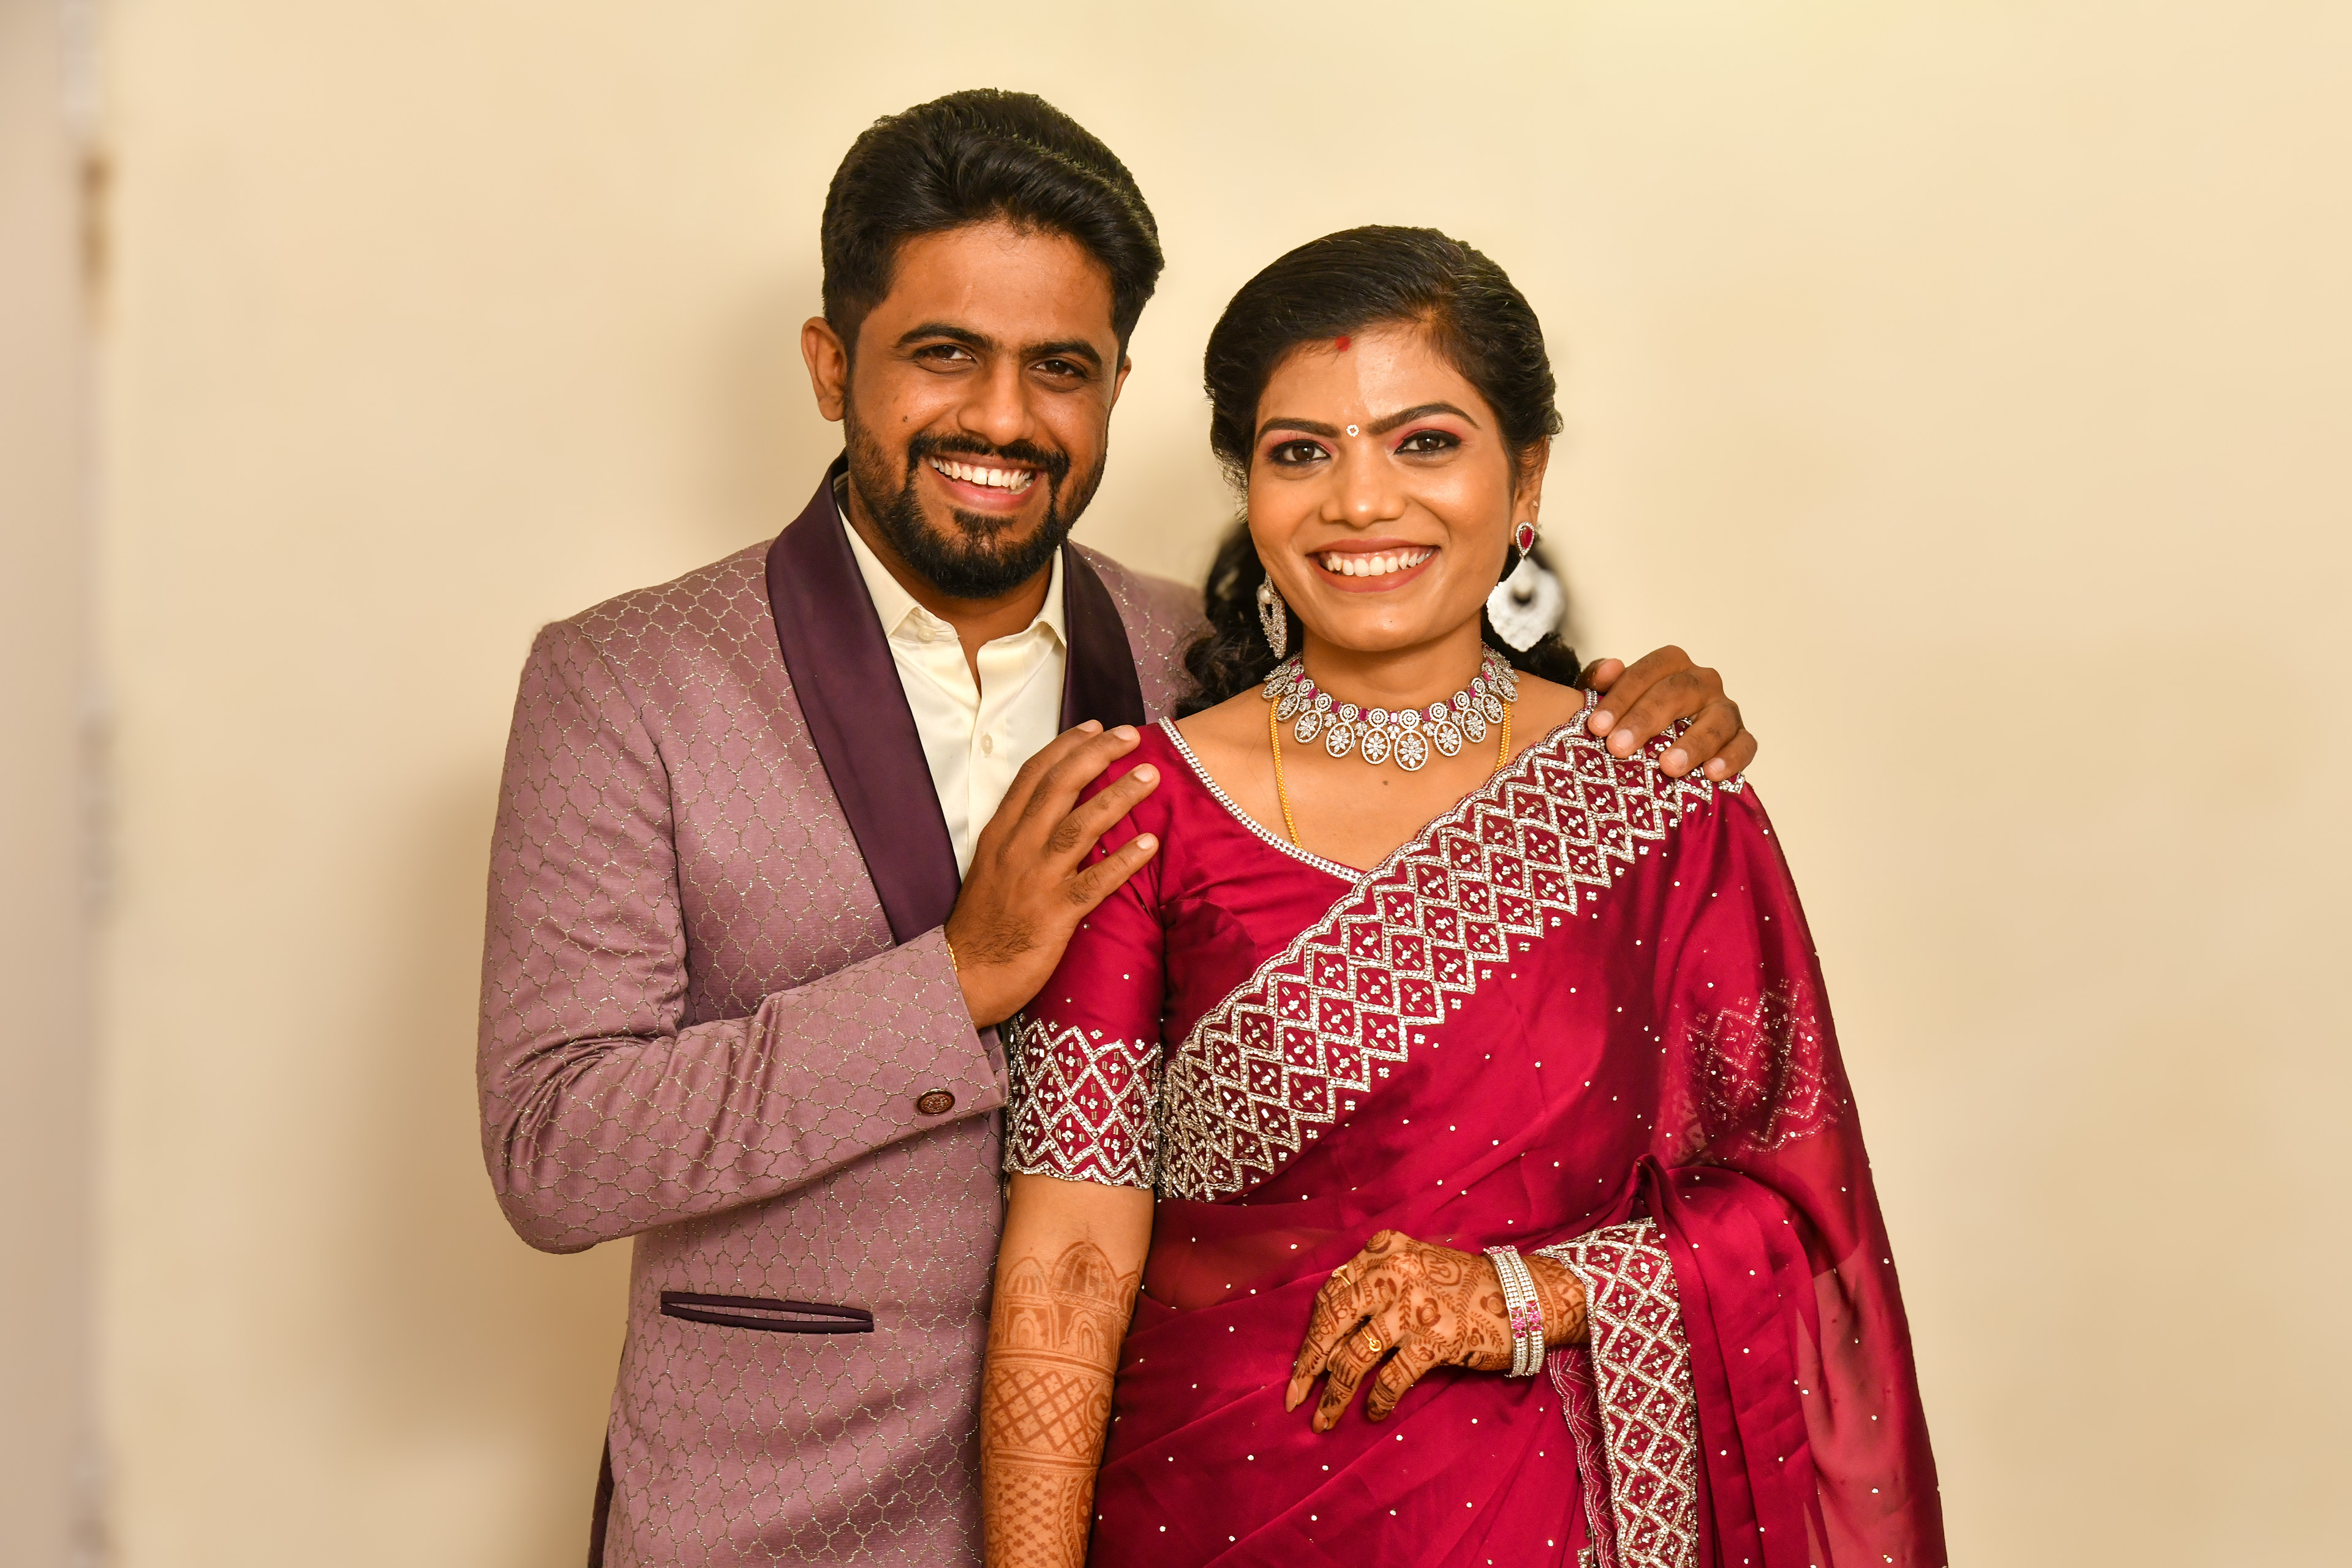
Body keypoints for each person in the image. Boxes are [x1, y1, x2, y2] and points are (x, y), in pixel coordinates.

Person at [478, 93, 1760, 1567]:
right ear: (832, 364)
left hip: (1192, 1492)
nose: (1002, 417)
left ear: (1118, 387)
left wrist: (1632, 708)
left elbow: (1442, 728)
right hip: (782, 1512)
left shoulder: (1204, 664)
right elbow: (553, 1145)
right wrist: (953, 979)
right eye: (943, 353)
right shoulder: (629, 680)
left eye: (1060, 368)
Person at [981, 227, 1943, 1567]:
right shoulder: (1141, 808)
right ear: (1250, 489)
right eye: (1301, 452)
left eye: (1423, 442)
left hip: (1550, 1518)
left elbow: (1796, 1218)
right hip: (1204, 1510)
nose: (1361, 500)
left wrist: (1531, 1293)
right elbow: (1069, 1265)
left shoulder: (1662, 799)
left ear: (1525, 475)